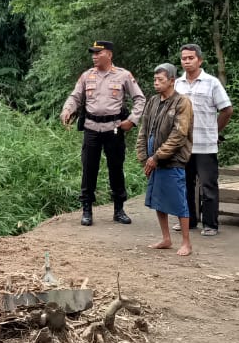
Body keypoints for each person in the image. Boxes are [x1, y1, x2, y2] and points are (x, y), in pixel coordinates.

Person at [60, 40, 146, 226]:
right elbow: (75, 97)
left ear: (109, 54)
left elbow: (140, 99)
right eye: (93, 53)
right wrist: (67, 109)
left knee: (116, 168)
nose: (94, 56)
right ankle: (87, 210)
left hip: (114, 128)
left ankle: (119, 209)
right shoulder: (87, 76)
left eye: (98, 53)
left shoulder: (123, 76)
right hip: (91, 128)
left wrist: (132, 120)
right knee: (89, 168)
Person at [174, 44, 232, 236]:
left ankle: (210, 224)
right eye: (184, 58)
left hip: (205, 144)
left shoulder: (211, 82)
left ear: (200, 60)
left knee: (208, 185)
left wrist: (214, 131)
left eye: (191, 58)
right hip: (183, 145)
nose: (187, 61)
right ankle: (188, 220)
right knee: (184, 184)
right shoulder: (177, 84)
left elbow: (226, 109)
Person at [136, 63, 194, 256]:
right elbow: (144, 130)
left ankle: (186, 242)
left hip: (172, 159)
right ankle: (166, 238)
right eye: (155, 79)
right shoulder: (153, 101)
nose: (156, 83)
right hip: (153, 159)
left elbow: (179, 134)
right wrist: (144, 156)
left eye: (160, 80)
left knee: (178, 200)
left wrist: (157, 156)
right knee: (158, 199)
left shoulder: (181, 102)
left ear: (172, 81)